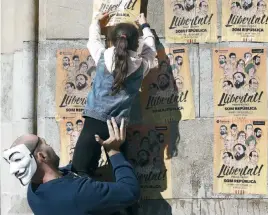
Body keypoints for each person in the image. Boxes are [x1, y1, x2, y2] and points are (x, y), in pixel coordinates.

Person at [71, 12, 156, 176]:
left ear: (112, 40)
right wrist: (145, 26)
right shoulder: (141, 66)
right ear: (135, 43)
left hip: (93, 123)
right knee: (122, 177)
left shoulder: (102, 56)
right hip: (118, 129)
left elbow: (93, 41)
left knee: (80, 173)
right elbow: (150, 49)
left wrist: (96, 22)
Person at [2, 118, 140, 215]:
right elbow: (130, 191)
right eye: (46, 143)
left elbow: (65, 175)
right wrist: (113, 151)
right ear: (42, 156)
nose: (50, 145)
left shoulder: (33, 192)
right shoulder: (78, 193)